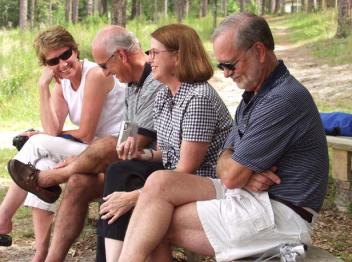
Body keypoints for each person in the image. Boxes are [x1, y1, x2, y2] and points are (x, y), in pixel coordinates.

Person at [118, 12, 329, 262]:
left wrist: (238, 171)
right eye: (222, 66)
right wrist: (241, 171)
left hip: (281, 214)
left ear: (259, 51)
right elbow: (225, 160)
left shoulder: (281, 99)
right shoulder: (254, 95)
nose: (226, 74)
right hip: (250, 197)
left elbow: (229, 174)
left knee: (153, 222)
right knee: (159, 183)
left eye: (230, 64)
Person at [0, 26, 125, 262]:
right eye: (53, 61)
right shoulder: (64, 84)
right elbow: (52, 129)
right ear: (46, 65)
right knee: (43, 161)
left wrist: (46, 136)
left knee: (37, 144)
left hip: (113, 152)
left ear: (76, 50)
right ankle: (41, 253)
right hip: (92, 150)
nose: (63, 64)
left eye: (66, 55)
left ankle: (2, 219)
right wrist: (43, 87)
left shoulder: (95, 75)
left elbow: (87, 133)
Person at [8, 25, 164, 262]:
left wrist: (83, 157)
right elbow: (127, 138)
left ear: (120, 55)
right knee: (80, 181)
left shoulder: (154, 81)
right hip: (130, 164)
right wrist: (84, 160)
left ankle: (48, 179)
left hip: (152, 169)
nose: (106, 72)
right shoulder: (133, 85)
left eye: (104, 65)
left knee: (104, 146)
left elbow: (130, 144)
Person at [96, 23, 233, 262]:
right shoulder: (164, 93)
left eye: (154, 53)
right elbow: (165, 153)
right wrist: (143, 155)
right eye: (149, 53)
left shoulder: (198, 98)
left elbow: (184, 170)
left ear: (178, 57)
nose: (149, 60)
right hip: (175, 176)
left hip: (205, 182)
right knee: (120, 170)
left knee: (130, 193)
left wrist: (134, 197)